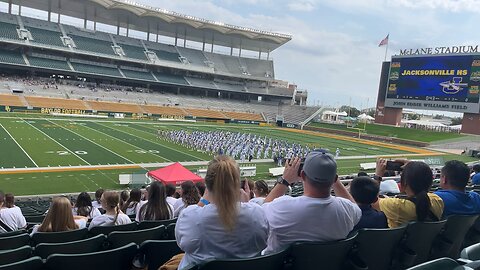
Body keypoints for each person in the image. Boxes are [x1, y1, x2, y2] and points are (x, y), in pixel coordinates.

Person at [176, 156, 268, 270]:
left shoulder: (190, 215)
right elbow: (262, 242)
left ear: (208, 187)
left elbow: (181, 245)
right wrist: (247, 204)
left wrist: (203, 200)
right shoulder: (257, 212)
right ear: (238, 185)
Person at [262, 151, 361, 254]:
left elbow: (261, 212)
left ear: (302, 175)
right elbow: (355, 207)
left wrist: (284, 181)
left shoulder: (282, 206)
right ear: (335, 178)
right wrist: (334, 180)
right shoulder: (347, 209)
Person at [373, 159, 444, 228]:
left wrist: (378, 176)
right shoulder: (437, 200)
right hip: (428, 240)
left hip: (401, 240)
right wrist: (413, 167)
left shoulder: (396, 206)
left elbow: (371, 201)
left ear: (405, 183)